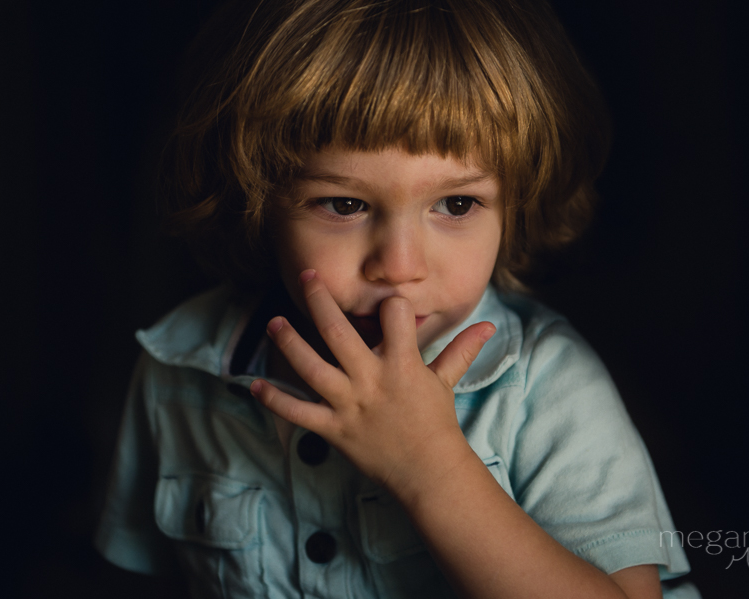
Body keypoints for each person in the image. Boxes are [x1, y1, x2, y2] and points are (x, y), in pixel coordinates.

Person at [95, 1, 699, 597]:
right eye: (344, 204)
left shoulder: (544, 385)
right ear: (255, 202)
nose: (400, 267)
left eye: (457, 204)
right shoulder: (180, 368)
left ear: (514, 204)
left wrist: (429, 467)